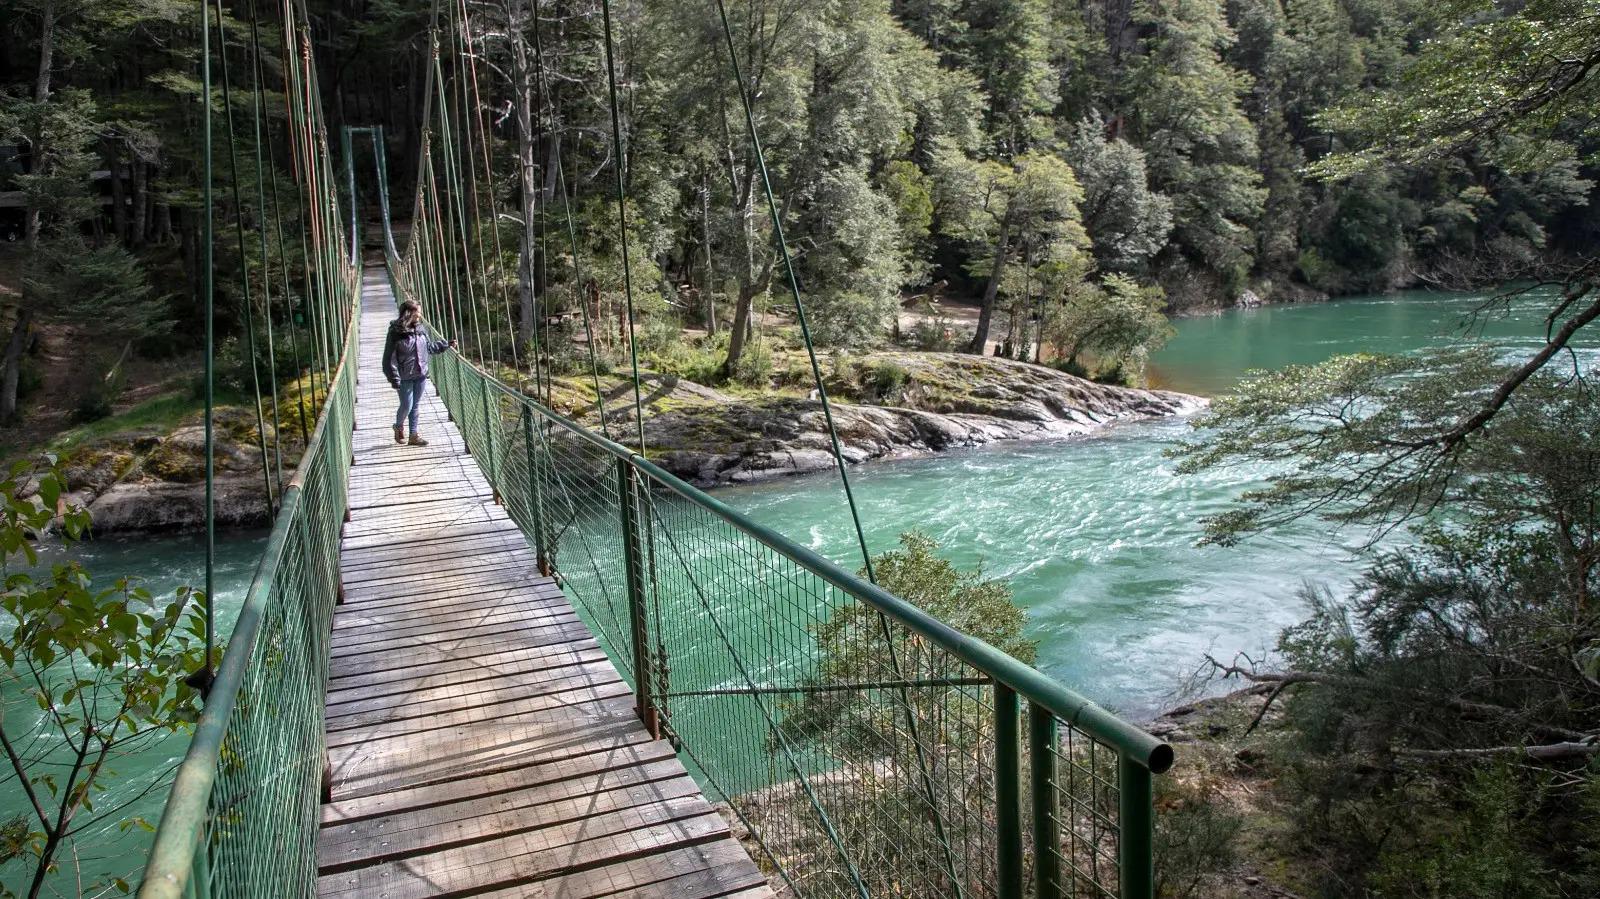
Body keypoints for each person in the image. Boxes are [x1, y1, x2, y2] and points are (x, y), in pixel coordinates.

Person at [380, 299, 454, 446]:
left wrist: (446, 344)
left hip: (420, 375)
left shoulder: (420, 329)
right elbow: (388, 358)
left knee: (415, 406)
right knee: (407, 405)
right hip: (404, 377)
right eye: (418, 312)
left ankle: (413, 435)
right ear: (409, 313)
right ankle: (398, 426)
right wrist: (394, 377)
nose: (420, 315)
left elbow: (429, 347)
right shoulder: (396, 332)